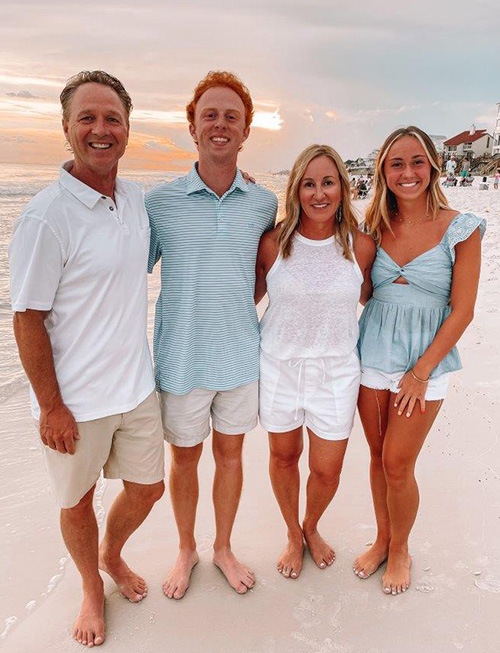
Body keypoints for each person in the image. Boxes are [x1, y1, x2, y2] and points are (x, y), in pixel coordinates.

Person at [9, 71, 165, 647]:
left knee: (148, 489)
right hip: (74, 401)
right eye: (88, 119)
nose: (101, 130)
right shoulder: (46, 217)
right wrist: (51, 406)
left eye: (112, 119)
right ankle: (91, 586)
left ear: (127, 129)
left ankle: (111, 554)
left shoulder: (134, 200)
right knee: (76, 501)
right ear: (67, 129)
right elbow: (25, 317)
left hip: (137, 388)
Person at [146, 71, 278, 599]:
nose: (220, 125)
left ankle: (222, 547)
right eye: (210, 115)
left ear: (246, 131)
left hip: (242, 356)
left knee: (230, 455)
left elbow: (263, 275)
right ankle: (186, 547)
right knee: (184, 457)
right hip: (180, 358)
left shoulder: (263, 203)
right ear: (192, 126)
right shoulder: (160, 202)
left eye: (232, 117)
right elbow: (121, 270)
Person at [352, 126, 485, 595]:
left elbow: (463, 310)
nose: (407, 173)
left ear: (433, 166)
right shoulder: (374, 228)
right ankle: (382, 539)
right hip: (372, 352)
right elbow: (363, 292)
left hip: (425, 361)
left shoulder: (461, 227)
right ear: (383, 173)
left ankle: (402, 548)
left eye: (416, 162)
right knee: (375, 455)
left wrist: (420, 372)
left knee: (397, 462)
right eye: (396, 164)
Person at [255, 144, 375, 579]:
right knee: (283, 457)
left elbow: (371, 302)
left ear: (343, 188)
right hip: (279, 367)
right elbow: (246, 300)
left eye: (328, 183)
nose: (318, 194)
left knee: (327, 470)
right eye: (309, 184)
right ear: (296, 190)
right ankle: (292, 532)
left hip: (337, 371)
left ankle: (311, 525)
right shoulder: (273, 243)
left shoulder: (360, 246)